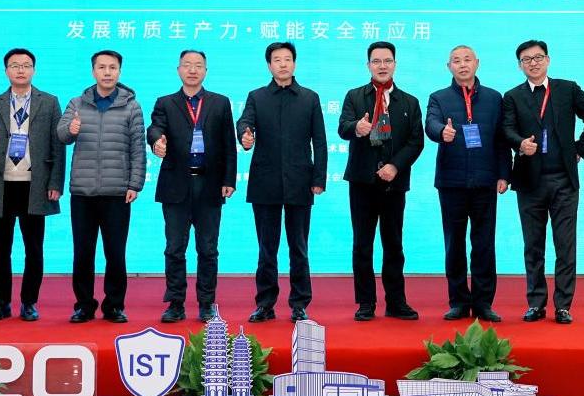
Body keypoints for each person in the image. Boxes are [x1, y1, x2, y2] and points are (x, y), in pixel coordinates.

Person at [0, 48, 65, 322]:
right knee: (1, 250)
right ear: (6, 70)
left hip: (35, 185)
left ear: (34, 70)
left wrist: (55, 182)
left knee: (34, 249)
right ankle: (1, 303)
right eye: (14, 65)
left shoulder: (49, 102)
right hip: (1, 185)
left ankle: (29, 303)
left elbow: (58, 145)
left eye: (26, 65)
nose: (20, 70)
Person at [236, 41, 327, 323]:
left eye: (287, 59)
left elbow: (320, 141)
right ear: (269, 65)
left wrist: (319, 178)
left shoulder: (310, 98)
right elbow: (244, 123)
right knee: (267, 248)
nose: (283, 64)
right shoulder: (257, 96)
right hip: (265, 182)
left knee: (299, 247)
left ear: (294, 63)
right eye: (277, 60)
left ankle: (299, 304)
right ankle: (265, 303)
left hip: (300, 181)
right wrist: (245, 135)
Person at [147, 49, 237, 323]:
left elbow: (229, 144)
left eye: (198, 65)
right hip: (176, 184)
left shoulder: (220, 103)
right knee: (175, 248)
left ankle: (206, 303)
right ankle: (175, 303)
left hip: (210, 185)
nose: (193, 70)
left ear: (205, 71)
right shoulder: (166, 102)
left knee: (208, 249)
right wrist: (157, 141)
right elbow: (154, 128)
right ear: (179, 70)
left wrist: (228, 180)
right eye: (187, 65)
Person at [337, 41, 424, 322]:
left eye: (387, 61)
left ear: (395, 64)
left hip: (393, 184)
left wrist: (395, 166)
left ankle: (396, 301)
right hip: (362, 182)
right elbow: (342, 128)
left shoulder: (409, 102)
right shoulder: (354, 96)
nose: (382, 66)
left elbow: (416, 141)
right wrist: (357, 127)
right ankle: (366, 303)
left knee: (393, 244)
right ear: (368, 66)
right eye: (376, 61)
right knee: (362, 244)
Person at [57, 50, 146, 323]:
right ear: (93, 71)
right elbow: (61, 135)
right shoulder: (77, 103)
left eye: (112, 67)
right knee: (83, 253)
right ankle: (84, 305)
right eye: (102, 67)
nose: (107, 72)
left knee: (115, 253)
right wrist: (70, 130)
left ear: (119, 71)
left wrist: (135, 183)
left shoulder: (131, 106)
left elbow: (138, 149)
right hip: (82, 192)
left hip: (117, 192)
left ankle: (114, 306)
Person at [425, 45, 511, 322]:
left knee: (484, 243)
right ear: (448, 66)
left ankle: (483, 303)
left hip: (485, 181)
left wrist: (504, 173)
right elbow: (430, 124)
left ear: (477, 63)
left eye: (467, 59)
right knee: (454, 244)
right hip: (452, 182)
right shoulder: (438, 97)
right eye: (456, 61)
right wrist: (442, 131)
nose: (462, 65)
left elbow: (501, 139)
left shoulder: (494, 98)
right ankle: (459, 302)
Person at [502, 40, 584, 324]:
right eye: (527, 59)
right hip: (530, 182)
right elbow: (506, 129)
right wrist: (520, 143)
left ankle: (563, 306)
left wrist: (580, 149)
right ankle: (536, 303)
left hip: (564, 181)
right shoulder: (512, 96)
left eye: (538, 57)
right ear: (520, 65)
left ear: (548, 60)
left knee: (565, 246)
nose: (533, 63)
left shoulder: (567, 89)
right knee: (533, 246)